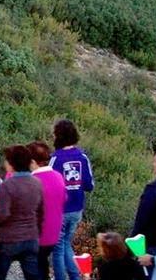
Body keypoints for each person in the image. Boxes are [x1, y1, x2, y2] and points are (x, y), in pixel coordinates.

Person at [0, 145, 43, 280]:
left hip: (9, 239)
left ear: (12, 164)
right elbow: (41, 212)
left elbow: (3, 214)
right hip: (31, 238)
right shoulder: (37, 183)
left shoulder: (8, 185)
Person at [49, 119, 94, 280]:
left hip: (60, 209)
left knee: (58, 248)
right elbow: (89, 185)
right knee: (66, 244)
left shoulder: (55, 158)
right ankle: (75, 276)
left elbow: (50, 183)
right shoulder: (82, 157)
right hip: (77, 208)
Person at [28, 141, 66, 279]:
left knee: (35, 268)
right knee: (42, 263)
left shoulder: (32, 180)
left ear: (32, 161)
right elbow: (63, 199)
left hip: (37, 235)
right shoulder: (58, 176)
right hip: (54, 233)